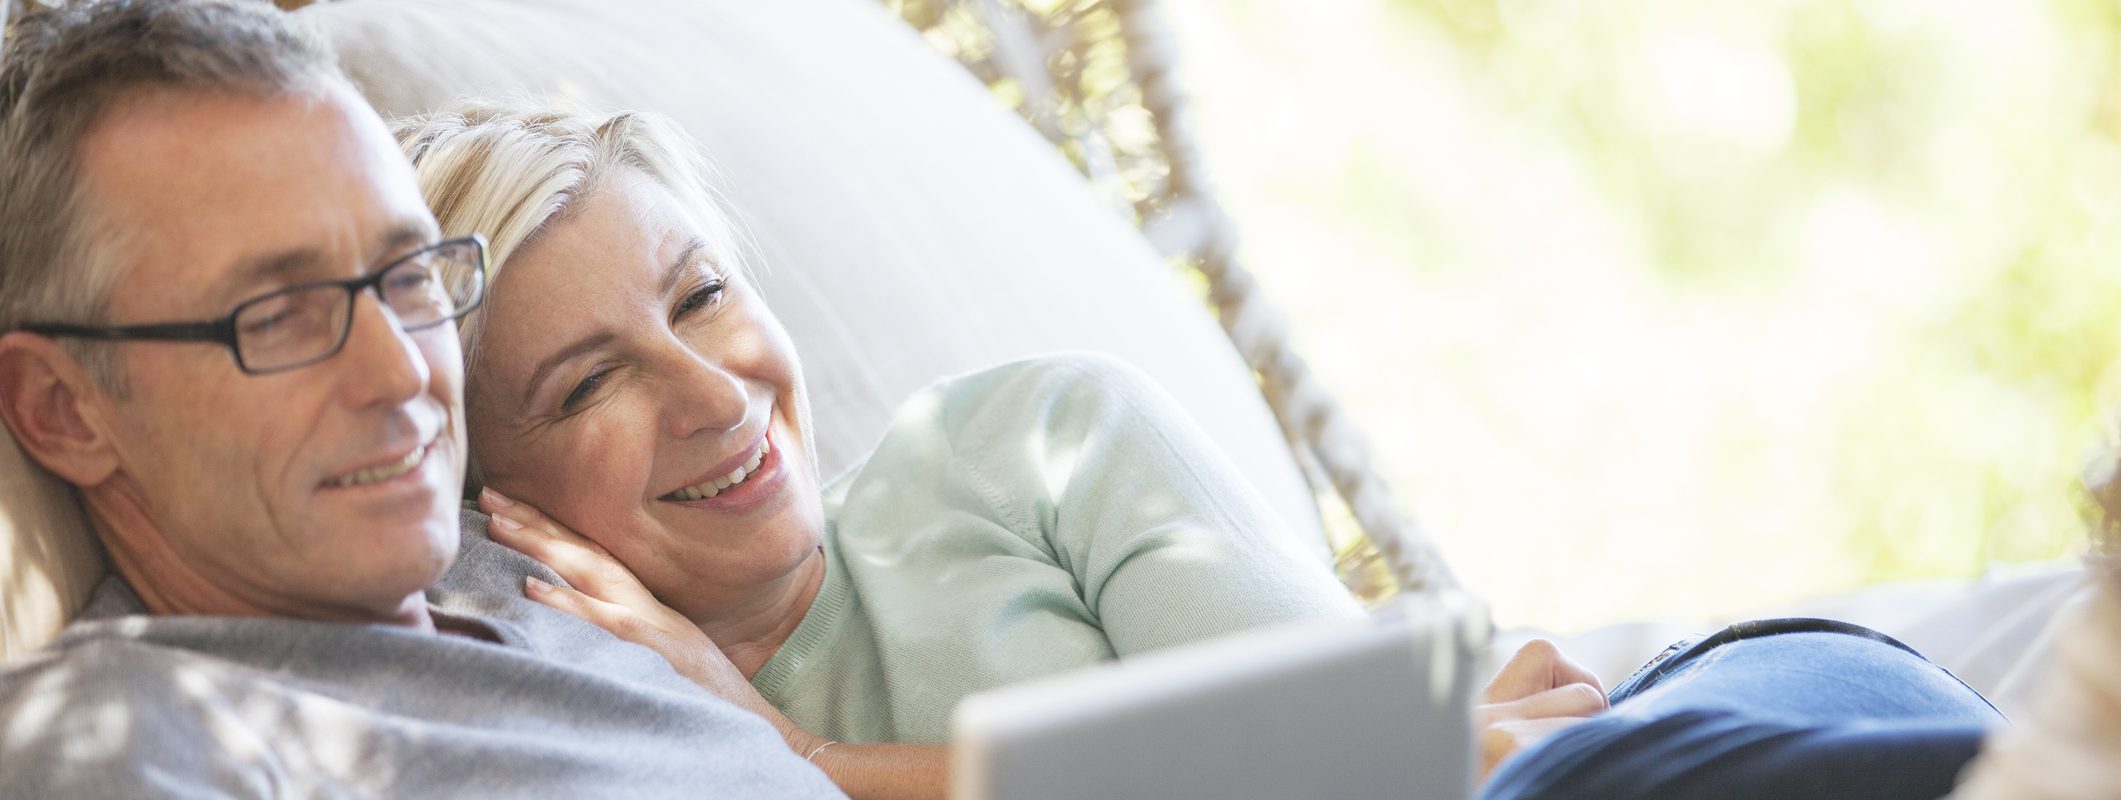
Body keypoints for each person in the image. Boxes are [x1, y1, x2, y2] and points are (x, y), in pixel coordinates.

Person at [391, 102, 1377, 797]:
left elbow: (1362, 755)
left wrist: (812, 759)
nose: (717, 392)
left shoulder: (1041, 441)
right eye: (588, 383)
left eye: (702, 297)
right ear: (489, 497)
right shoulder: (579, 739)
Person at [0, 1, 843, 796]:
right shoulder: (129, 737)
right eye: (286, 317)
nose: (404, 373)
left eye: (407, 277)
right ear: (61, 410)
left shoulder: (540, 572)